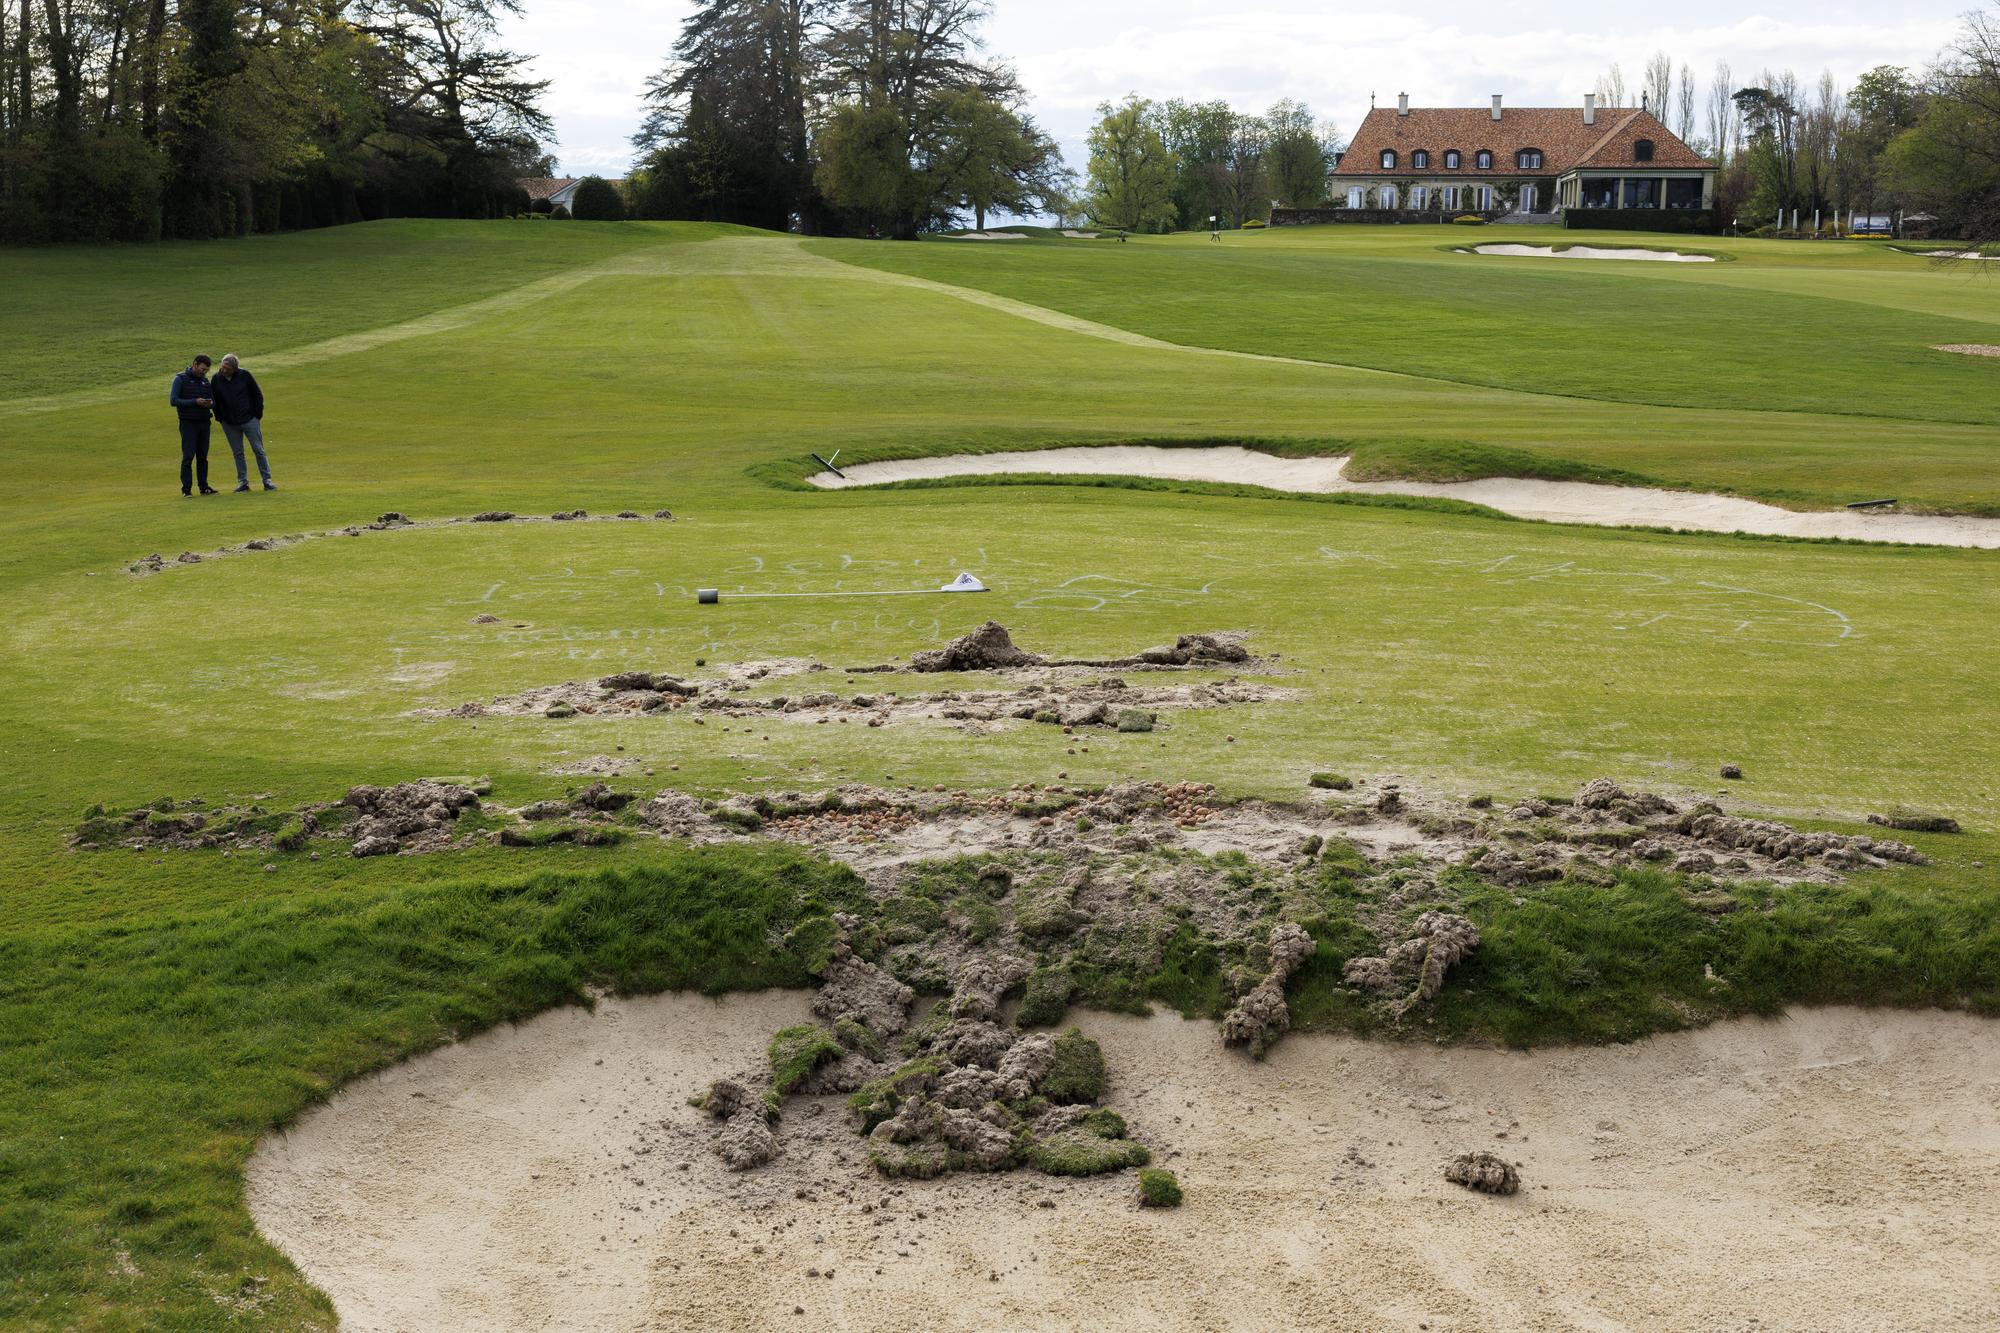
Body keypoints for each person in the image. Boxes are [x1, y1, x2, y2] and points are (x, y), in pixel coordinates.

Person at [211, 354, 275, 491]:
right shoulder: (216, 379)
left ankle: (267, 480)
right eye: (222, 367)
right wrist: (220, 418)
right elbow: (214, 400)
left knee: (258, 449)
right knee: (237, 452)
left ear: (235, 369)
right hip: (229, 423)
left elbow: (257, 395)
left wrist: (257, 415)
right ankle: (243, 482)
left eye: (227, 368)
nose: (223, 370)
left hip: (249, 419)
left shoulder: (245, 375)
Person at [169, 355, 218, 496]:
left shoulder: (205, 381)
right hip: (188, 422)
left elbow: (213, 401)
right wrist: (195, 402)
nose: (204, 372)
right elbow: (174, 400)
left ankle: (204, 486)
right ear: (195, 364)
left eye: (207, 370)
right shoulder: (180, 379)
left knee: (203, 456)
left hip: (204, 422)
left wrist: (210, 404)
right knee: (188, 456)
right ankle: (186, 489)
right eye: (202, 369)